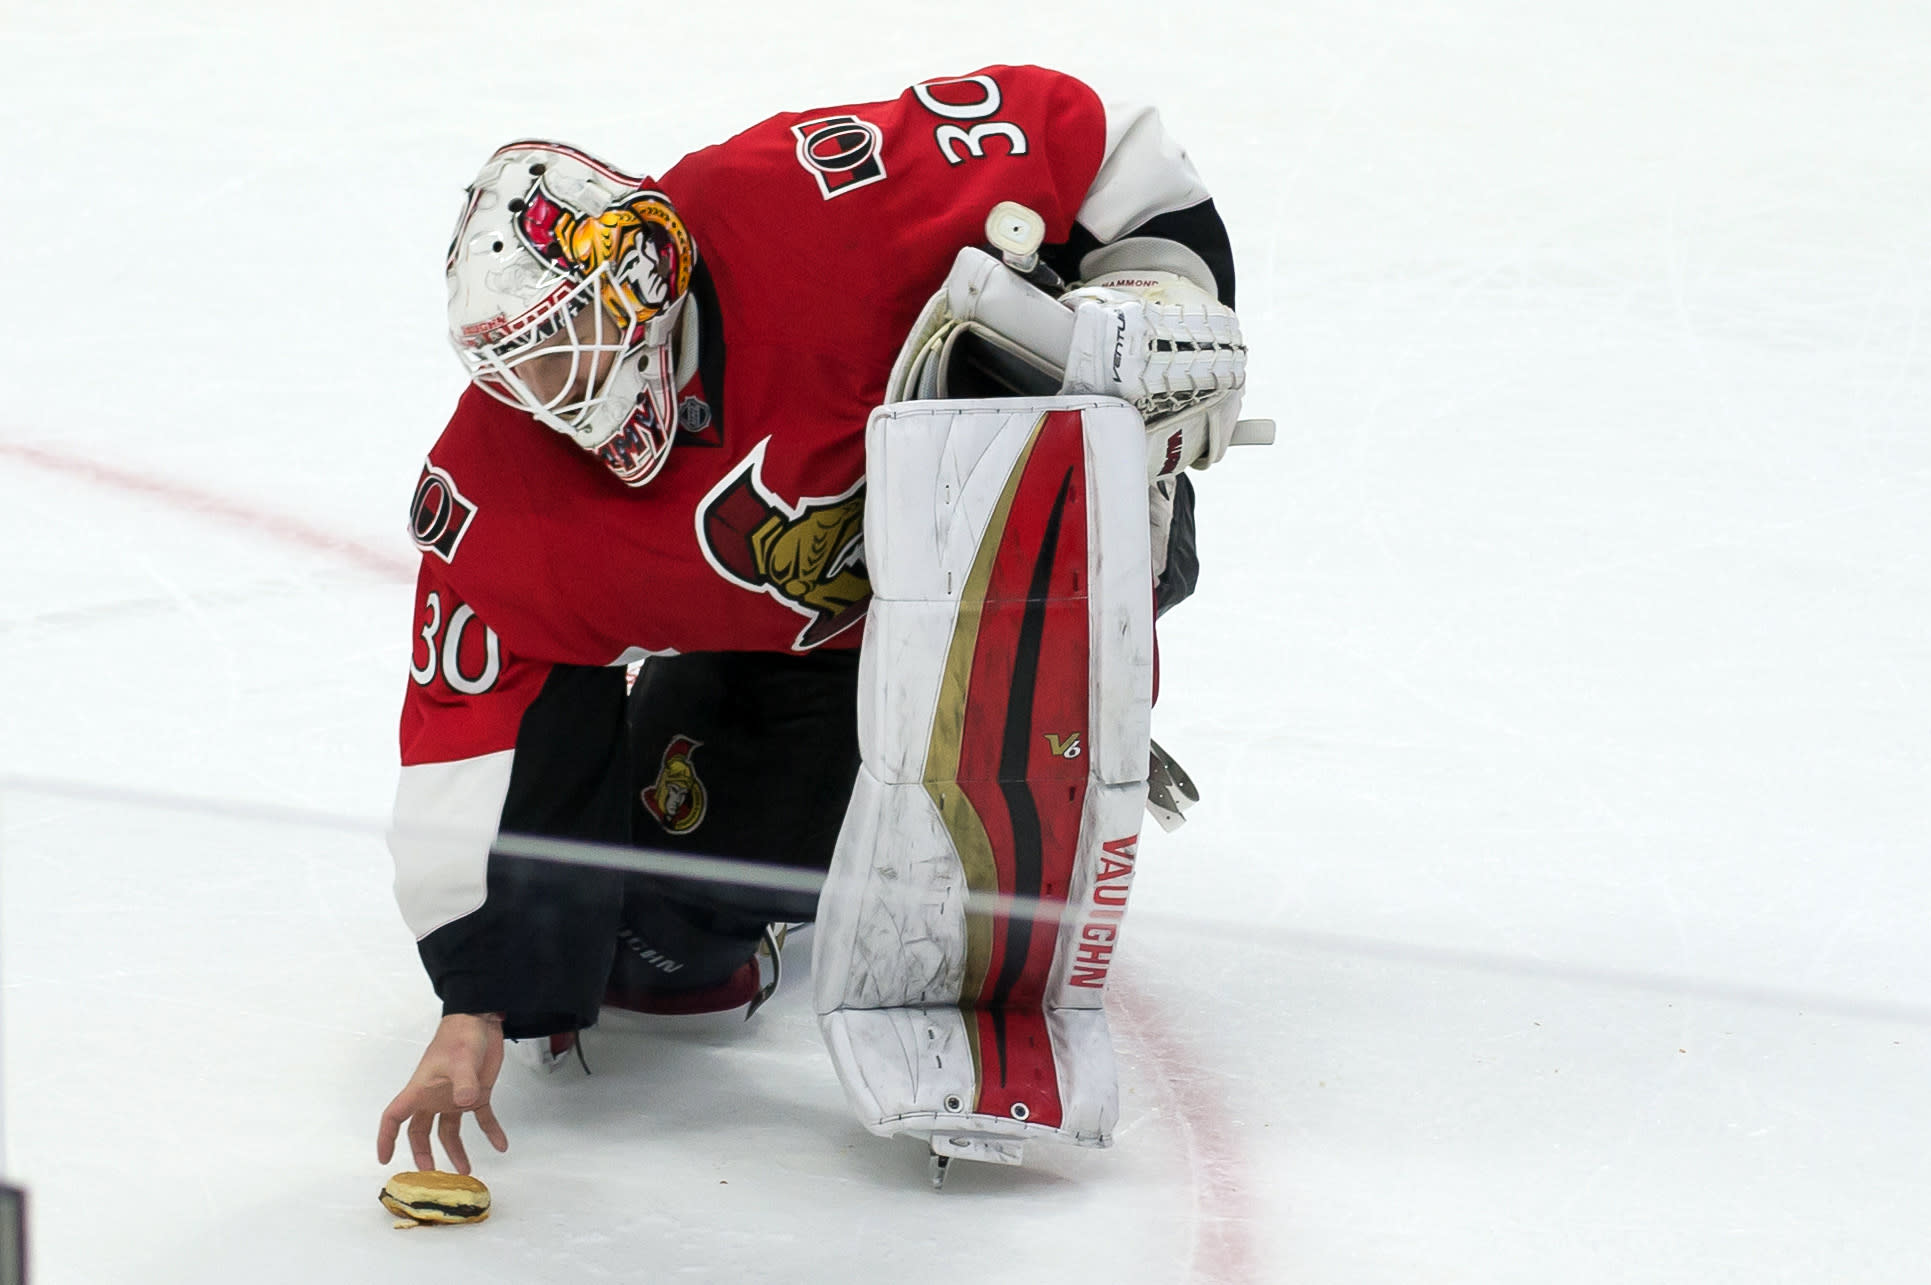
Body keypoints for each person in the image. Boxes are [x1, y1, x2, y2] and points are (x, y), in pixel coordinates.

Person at [376, 64, 1250, 1177]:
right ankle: (834, 777)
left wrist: (1159, 287)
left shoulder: (804, 205)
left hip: (1040, 532)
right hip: (811, 652)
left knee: (1016, 370)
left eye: (571, 332)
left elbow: (1099, 137)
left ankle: (1048, 687)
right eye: (519, 364)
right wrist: (479, 1001)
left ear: (643, 273)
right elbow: (473, 731)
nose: (556, 386)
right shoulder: (501, 490)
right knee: (649, 962)